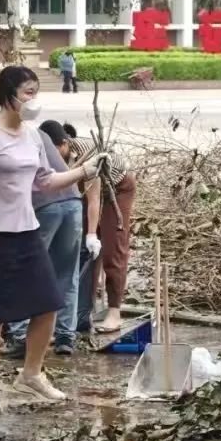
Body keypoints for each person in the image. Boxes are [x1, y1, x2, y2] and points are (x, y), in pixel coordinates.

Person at [0, 66, 105, 413]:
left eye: (36, 91)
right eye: (28, 92)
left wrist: (82, 171)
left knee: (48, 302)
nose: (33, 99)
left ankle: (31, 374)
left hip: (26, 231)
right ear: (8, 95)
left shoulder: (34, 136)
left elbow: (45, 182)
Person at [1, 119, 99, 358]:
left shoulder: (7, 138)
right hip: (72, 203)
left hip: (45, 206)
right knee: (66, 272)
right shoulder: (39, 135)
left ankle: (20, 335)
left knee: (25, 270)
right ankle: (65, 336)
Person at [57, 123, 135, 333]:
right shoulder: (49, 152)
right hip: (86, 191)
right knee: (84, 251)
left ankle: (114, 313)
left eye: (55, 150)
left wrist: (92, 233)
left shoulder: (88, 154)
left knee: (112, 247)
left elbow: (94, 199)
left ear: (64, 143)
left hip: (116, 189)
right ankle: (83, 312)